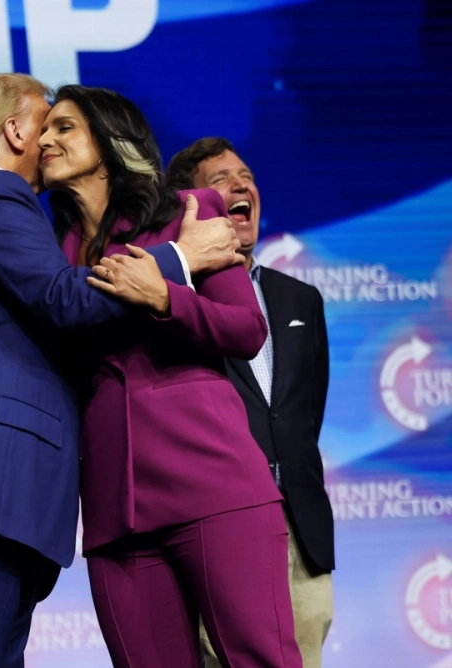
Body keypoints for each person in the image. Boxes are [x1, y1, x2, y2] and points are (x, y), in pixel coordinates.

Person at [0, 73, 243, 668]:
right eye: (49, 123)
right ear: (16, 129)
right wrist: (181, 258)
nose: (50, 144)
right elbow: (65, 300)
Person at [40, 84, 303, 668]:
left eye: (65, 127)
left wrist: (164, 298)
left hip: (214, 484)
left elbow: (245, 329)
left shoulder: (189, 213)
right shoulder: (48, 252)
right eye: (45, 130)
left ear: (109, 140)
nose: (45, 139)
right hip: (115, 512)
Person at [168, 137, 333, 668]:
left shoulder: (300, 299)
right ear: (189, 205)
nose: (242, 186)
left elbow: (305, 414)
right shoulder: (177, 301)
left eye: (247, 176)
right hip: (219, 527)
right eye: (221, 180)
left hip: (302, 535)